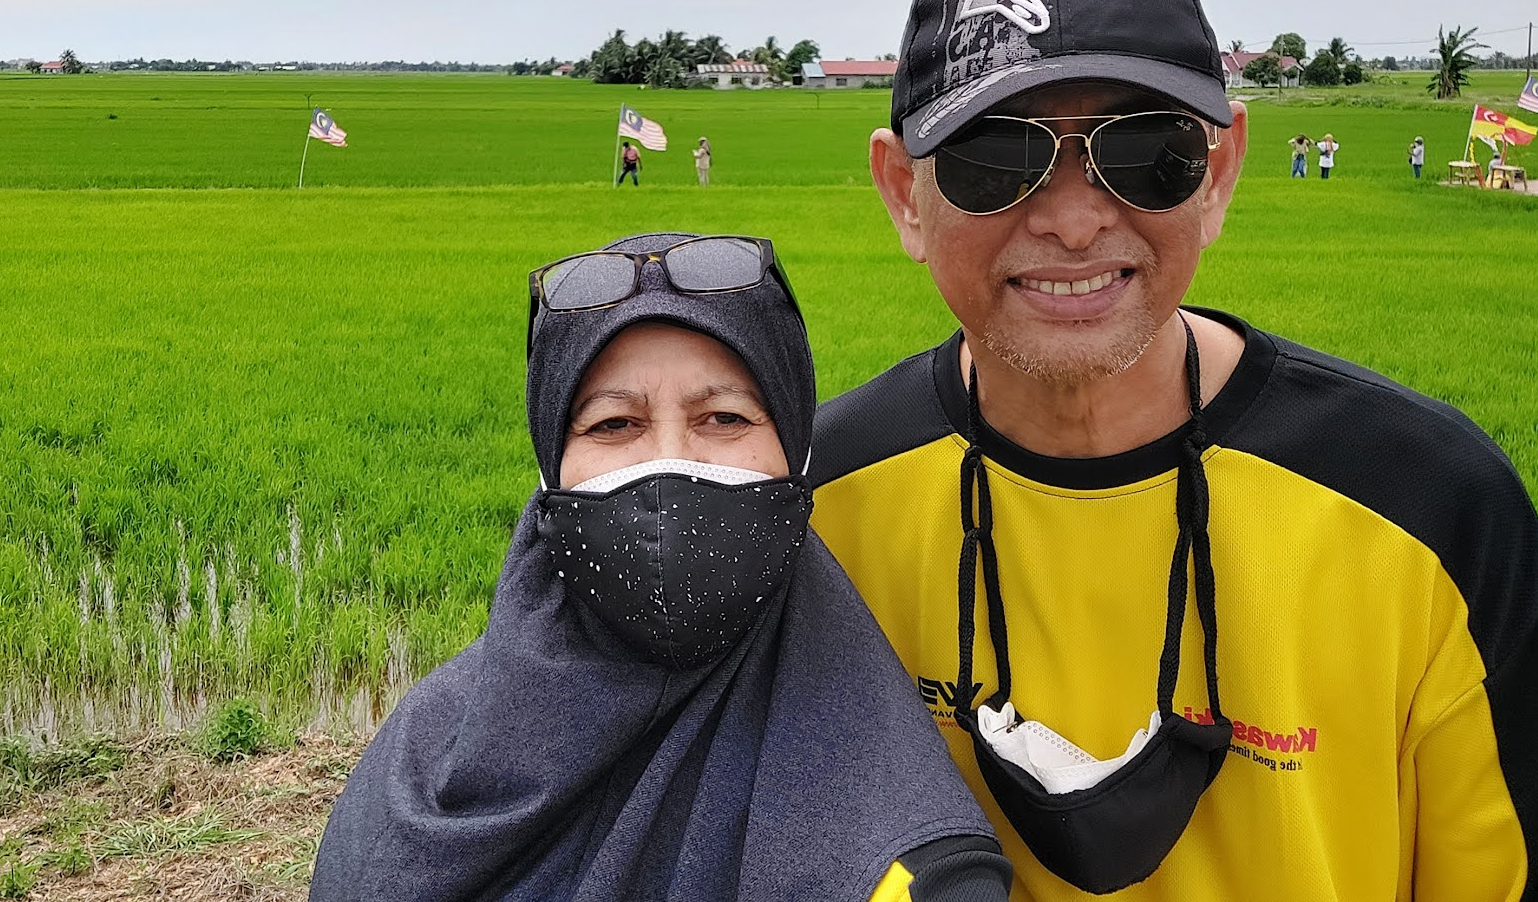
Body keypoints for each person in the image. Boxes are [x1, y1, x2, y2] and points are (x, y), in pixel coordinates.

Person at [812, 0, 1538, 900]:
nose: (1071, 216)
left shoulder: (1434, 513)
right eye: (990, 158)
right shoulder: (811, 513)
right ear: (900, 193)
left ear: (1218, 173)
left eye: (1145, 152)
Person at [309, 232, 1012, 902]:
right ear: (550, 472)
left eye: (726, 418)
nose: (668, 466)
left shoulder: (903, 848)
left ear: (797, 460)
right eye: (614, 425)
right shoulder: (424, 758)